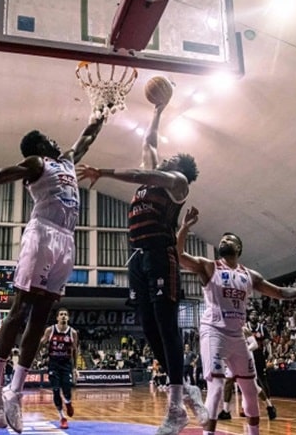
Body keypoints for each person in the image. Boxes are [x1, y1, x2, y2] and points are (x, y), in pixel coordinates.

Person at [0, 116, 104, 433]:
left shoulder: (67, 161)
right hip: (43, 234)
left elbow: (88, 137)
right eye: (49, 138)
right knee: (21, 308)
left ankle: (14, 390)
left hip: (67, 239)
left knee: (42, 317)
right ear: (39, 145)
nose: (55, 140)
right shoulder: (37, 162)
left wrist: (102, 112)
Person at [77, 102, 207, 435]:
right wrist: (158, 110)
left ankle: (176, 407)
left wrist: (102, 172)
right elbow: (149, 143)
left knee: (167, 328)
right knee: (149, 329)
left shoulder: (177, 182)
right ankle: (186, 389)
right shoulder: (156, 177)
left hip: (161, 255)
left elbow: (142, 173)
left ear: (181, 167)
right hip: (137, 257)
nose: (167, 156)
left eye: (172, 157)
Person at [176, 206, 296, 435]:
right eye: (222, 238)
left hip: (238, 336)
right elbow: (179, 256)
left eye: (228, 238)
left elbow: (280, 292)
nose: (224, 240)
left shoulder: (249, 275)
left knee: (250, 389)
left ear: (238, 247)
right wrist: (184, 228)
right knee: (217, 388)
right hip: (214, 332)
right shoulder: (209, 266)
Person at [39, 307, 78, 429]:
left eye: (65, 314)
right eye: (61, 314)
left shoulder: (73, 332)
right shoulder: (50, 330)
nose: (63, 316)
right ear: (57, 317)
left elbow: (75, 350)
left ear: (68, 317)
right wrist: (39, 356)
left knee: (67, 388)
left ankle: (68, 402)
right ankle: (62, 417)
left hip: (66, 364)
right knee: (56, 390)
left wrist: (75, 368)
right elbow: (41, 344)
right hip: (54, 363)